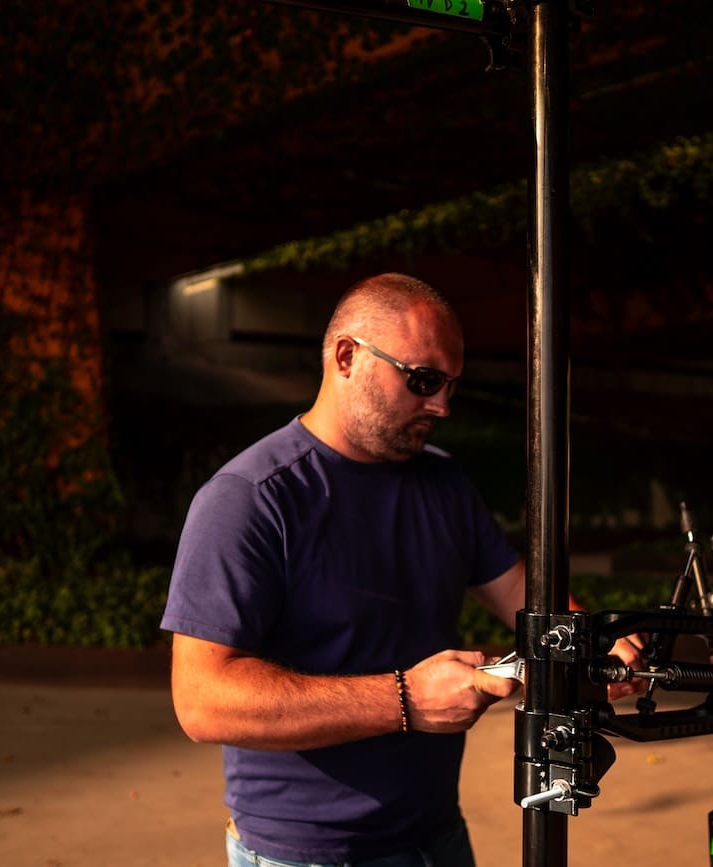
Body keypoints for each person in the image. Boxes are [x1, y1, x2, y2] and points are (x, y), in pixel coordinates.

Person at [161, 272, 641, 867]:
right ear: (346, 357)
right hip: (307, 855)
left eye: (449, 385)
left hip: (436, 837)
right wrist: (406, 698)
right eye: (423, 380)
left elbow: (520, 592)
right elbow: (202, 700)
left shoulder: (442, 481)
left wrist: (592, 641)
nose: (441, 405)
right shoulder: (251, 498)